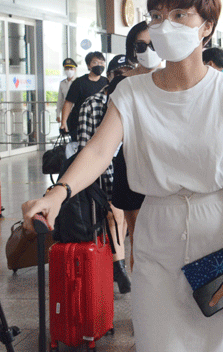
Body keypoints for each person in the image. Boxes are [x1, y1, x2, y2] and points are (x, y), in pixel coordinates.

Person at [23, 0, 223, 352]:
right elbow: (99, 150)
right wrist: (59, 193)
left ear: (207, 26)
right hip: (157, 237)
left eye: (179, 15)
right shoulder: (132, 94)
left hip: (220, 241)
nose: (164, 26)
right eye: (157, 15)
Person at [77, 54, 134, 294]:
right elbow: (85, 147)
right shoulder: (92, 104)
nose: (121, 78)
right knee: (116, 215)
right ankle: (119, 266)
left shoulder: (137, 101)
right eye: (116, 74)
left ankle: (118, 259)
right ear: (108, 77)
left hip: (131, 172)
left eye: (126, 74)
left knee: (123, 218)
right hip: (102, 175)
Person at [113, 21, 163, 271]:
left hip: (165, 166)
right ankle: (142, 300)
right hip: (132, 163)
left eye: (153, 44)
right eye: (141, 45)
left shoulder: (170, 80)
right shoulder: (123, 82)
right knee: (140, 239)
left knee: (164, 238)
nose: (147, 50)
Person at [60, 51, 109, 141]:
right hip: (80, 123)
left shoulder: (106, 82)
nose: (99, 65)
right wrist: (63, 122)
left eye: (102, 62)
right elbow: (68, 103)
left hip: (100, 123)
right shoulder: (79, 82)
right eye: (95, 62)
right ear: (89, 65)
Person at [56, 58, 77, 124]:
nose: (69, 71)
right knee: (65, 131)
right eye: (67, 69)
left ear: (75, 70)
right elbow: (60, 100)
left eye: (71, 69)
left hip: (76, 111)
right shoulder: (62, 83)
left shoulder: (78, 82)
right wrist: (58, 114)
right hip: (65, 112)